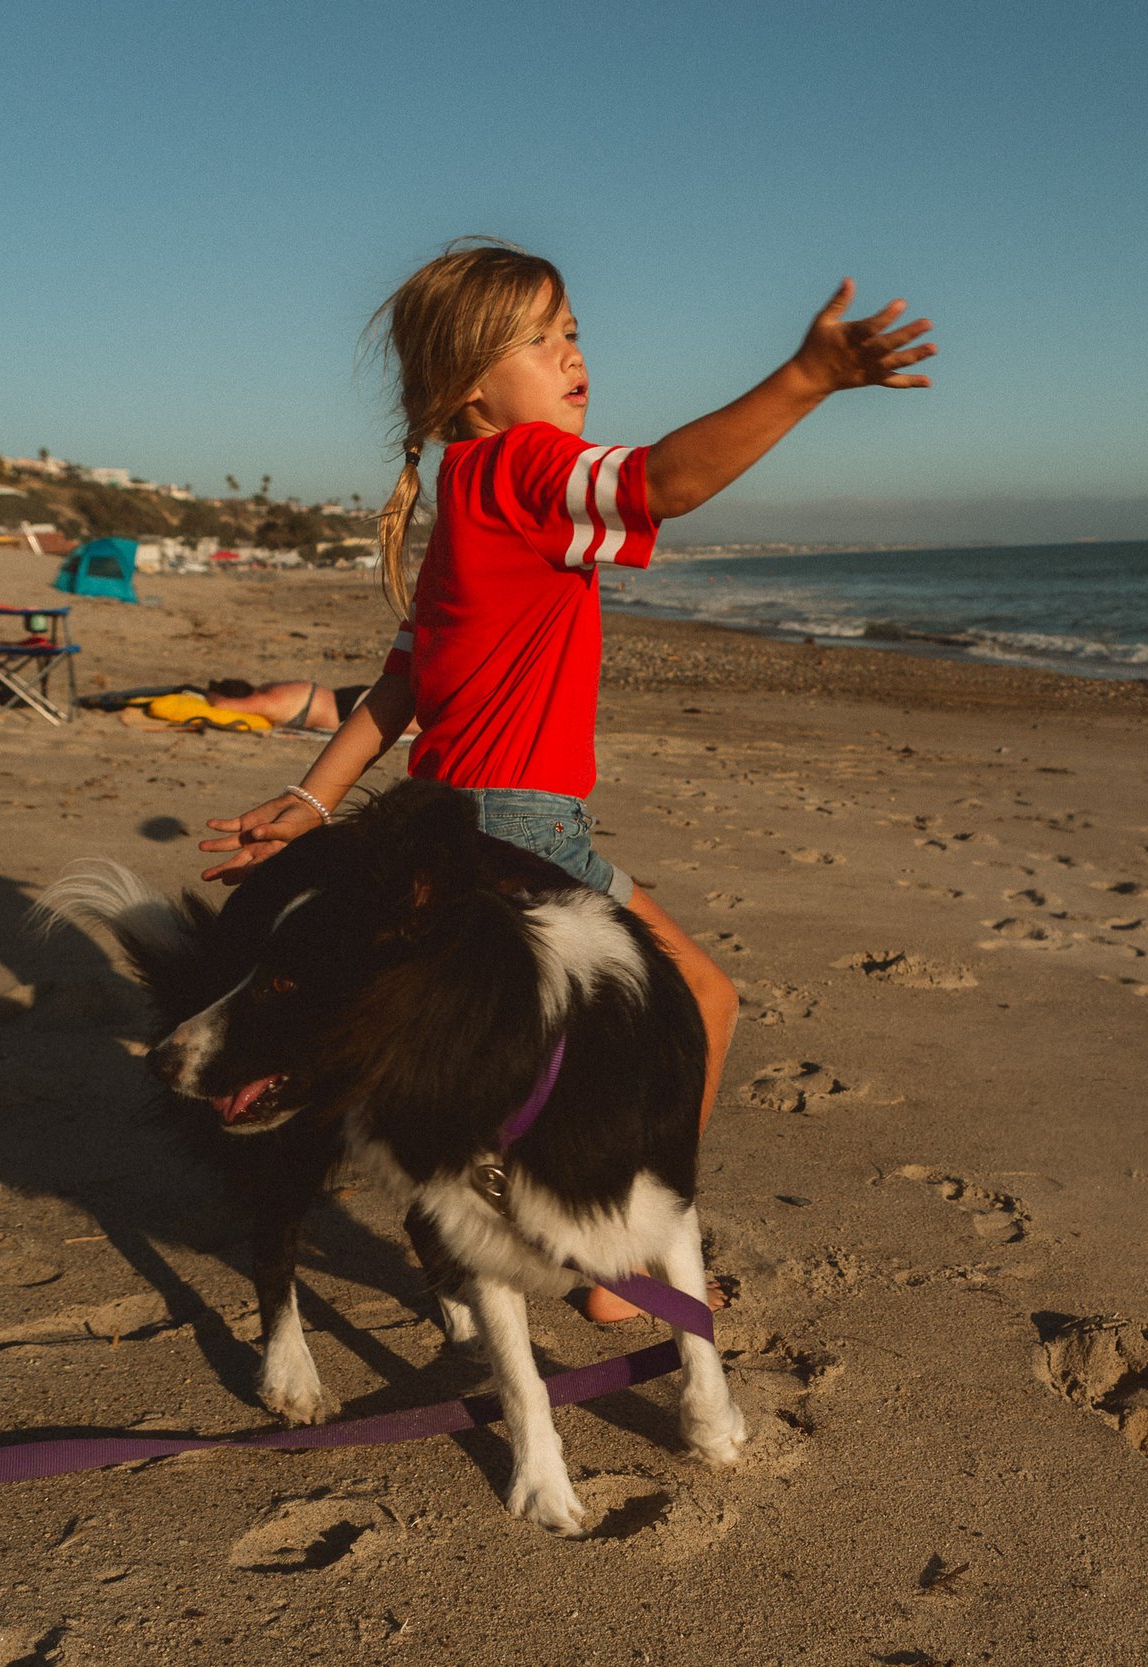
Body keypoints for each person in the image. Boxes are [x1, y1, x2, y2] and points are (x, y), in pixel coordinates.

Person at [199, 238, 934, 1319]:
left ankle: (493, 1203)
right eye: (536, 340)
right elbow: (662, 484)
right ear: (468, 388)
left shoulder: (469, 492)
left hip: (453, 817)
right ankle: (624, 1262)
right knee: (699, 998)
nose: (570, 354)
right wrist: (807, 378)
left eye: (572, 330)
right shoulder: (523, 470)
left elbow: (406, 676)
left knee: (520, 1058)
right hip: (517, 827)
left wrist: (314, 799)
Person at [201, 678, 372, 733]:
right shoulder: (269, 689)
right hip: (347, 699)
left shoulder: (266, 701)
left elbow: (220, 704)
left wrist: (210, 694)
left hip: (347, 711)